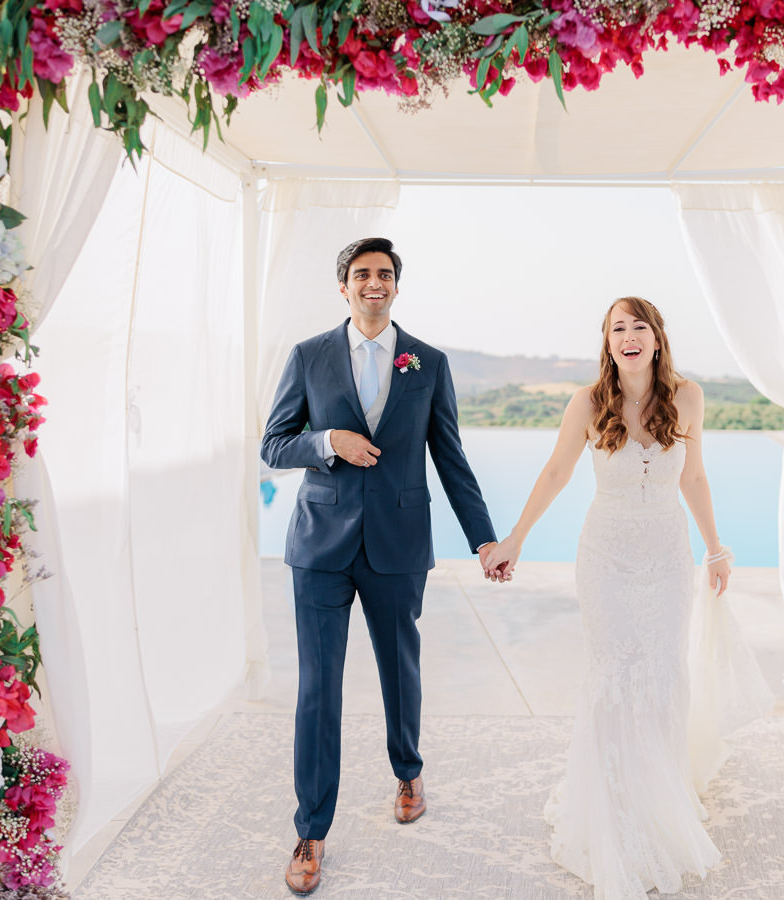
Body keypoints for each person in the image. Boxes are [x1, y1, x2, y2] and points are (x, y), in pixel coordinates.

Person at [261, 238, 506, 896]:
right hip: (319, 547)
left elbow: (450, 458)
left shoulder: (427, 361)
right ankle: (311, 831)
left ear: (396, 286)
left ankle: (408, 770)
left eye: (385, 274)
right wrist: (327, 441)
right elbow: (274, 444)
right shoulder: (308, 355)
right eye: (363, 274)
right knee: (319, 690)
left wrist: (483, 539)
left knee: (401, 668)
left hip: (399, 543)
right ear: (343, 287)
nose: (375, 282)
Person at [483, 296, 732, 900]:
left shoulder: (689, 396)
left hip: (668, 558)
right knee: (614, 673)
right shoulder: (588, 404)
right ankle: (612, 802)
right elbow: (555, 473)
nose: (628, 336)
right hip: (607, 558)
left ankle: (660, 792)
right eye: (617, 328)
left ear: (656, 336)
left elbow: (694, 477)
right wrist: (514, 539)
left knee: (663, 673)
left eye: (638, 326)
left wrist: (716, 548)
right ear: (607, 342)